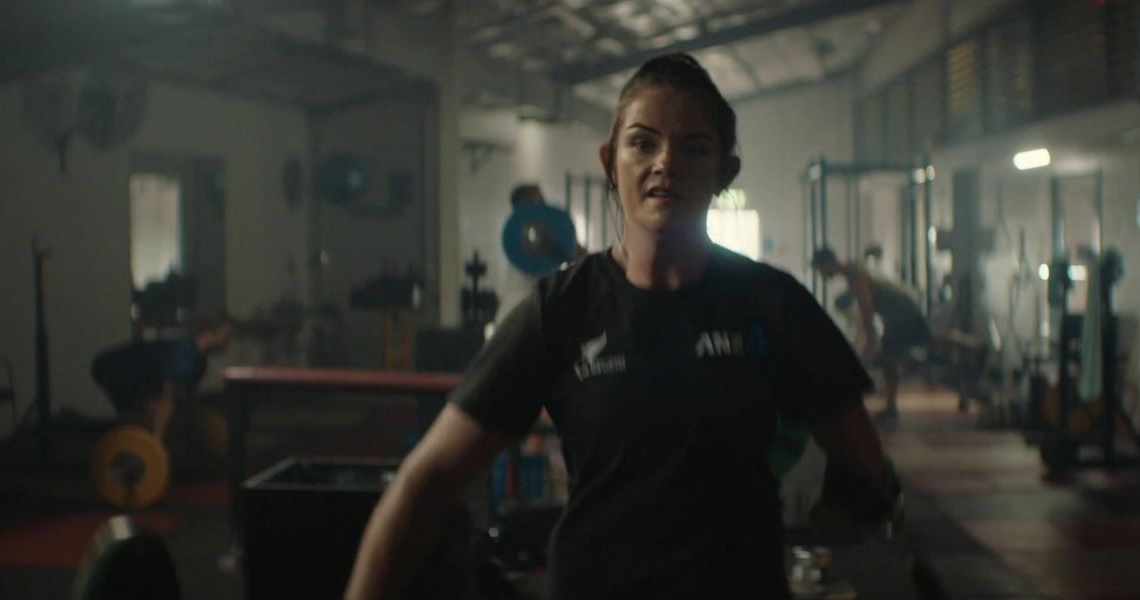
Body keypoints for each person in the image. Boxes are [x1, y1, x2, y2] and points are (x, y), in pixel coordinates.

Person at [346, 53, 899, 599]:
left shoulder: (773, 304)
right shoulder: (561, 309)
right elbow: (425, 481)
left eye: (694, 146)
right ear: (611, 163)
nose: (665, 162)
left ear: (724, 172)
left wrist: (838, 518)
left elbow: (866, 470)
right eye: (643, 143)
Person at [812, 247, 931, 424]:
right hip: (900, 309)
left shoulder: (855, 275)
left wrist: (869, 333)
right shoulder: (853, 271)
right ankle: (972, 347)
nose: (821, 275)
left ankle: (891, 410)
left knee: (892, 357)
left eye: (820, 270)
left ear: (828, 264)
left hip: (901, 311)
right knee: (923, 344)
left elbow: (866, 305)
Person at [90, 314, 234, 439]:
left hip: (140, 378)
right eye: (226, 337)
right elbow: (165, 400)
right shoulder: (184, 354)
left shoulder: (200, 362)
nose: (229, 344)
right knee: (141, 421)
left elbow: (192, 400)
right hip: (114, 369)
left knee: (159, 415)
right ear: (208, 333)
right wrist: (156, 441)